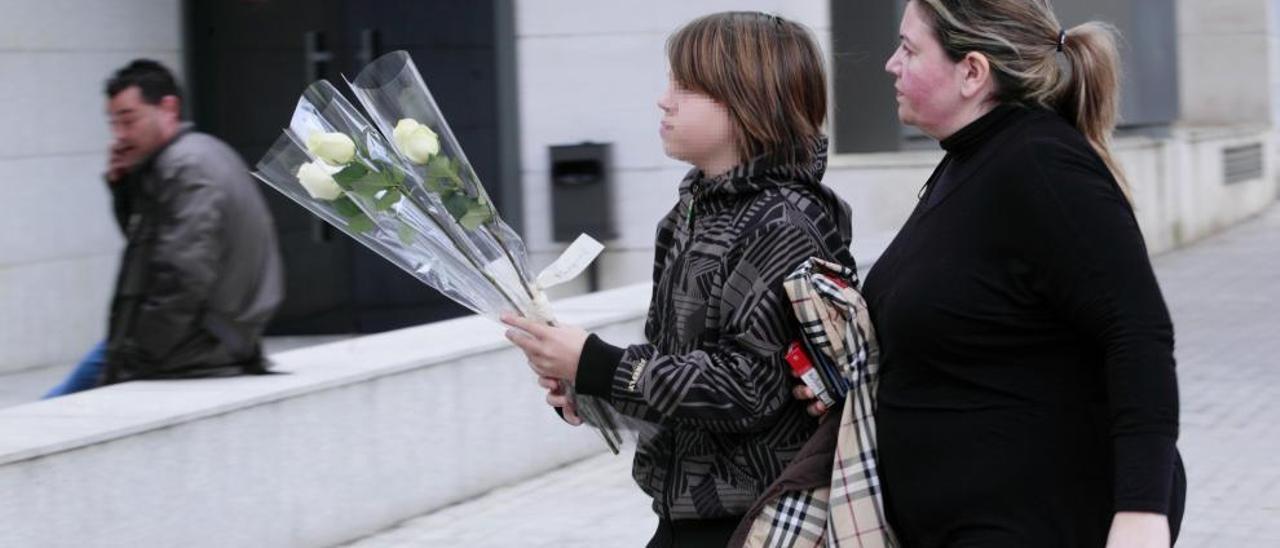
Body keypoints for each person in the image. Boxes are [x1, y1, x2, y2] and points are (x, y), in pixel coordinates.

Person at [797, 1, 1186, 546]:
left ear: (972, 73)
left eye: (909, 49)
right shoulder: (966, 162)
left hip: (1036, 518)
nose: (891, 64)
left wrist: (1143, 511)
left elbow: (1138, 332)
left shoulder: (1042, 165)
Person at [501, 12, 855, 547]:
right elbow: (678, 369)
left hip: (757, 523)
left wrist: (599, 363)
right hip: (685, 515)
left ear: (748, 102)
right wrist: (588, 385)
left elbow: (746, 389)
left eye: (686, 87)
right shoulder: (690, 213)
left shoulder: (785, 220)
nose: (663, 100)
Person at [46, 59, 284, 397]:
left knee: (51, 415)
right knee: (55, 408)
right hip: (191, 336)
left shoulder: (187, 167)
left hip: (195, 343)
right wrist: (125, 187)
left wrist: (138, 356)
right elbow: (147, 246)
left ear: (168, 108)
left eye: (128, 119)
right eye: (113, 122)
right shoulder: (186, 157)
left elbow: (181, 275)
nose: (120, 135)